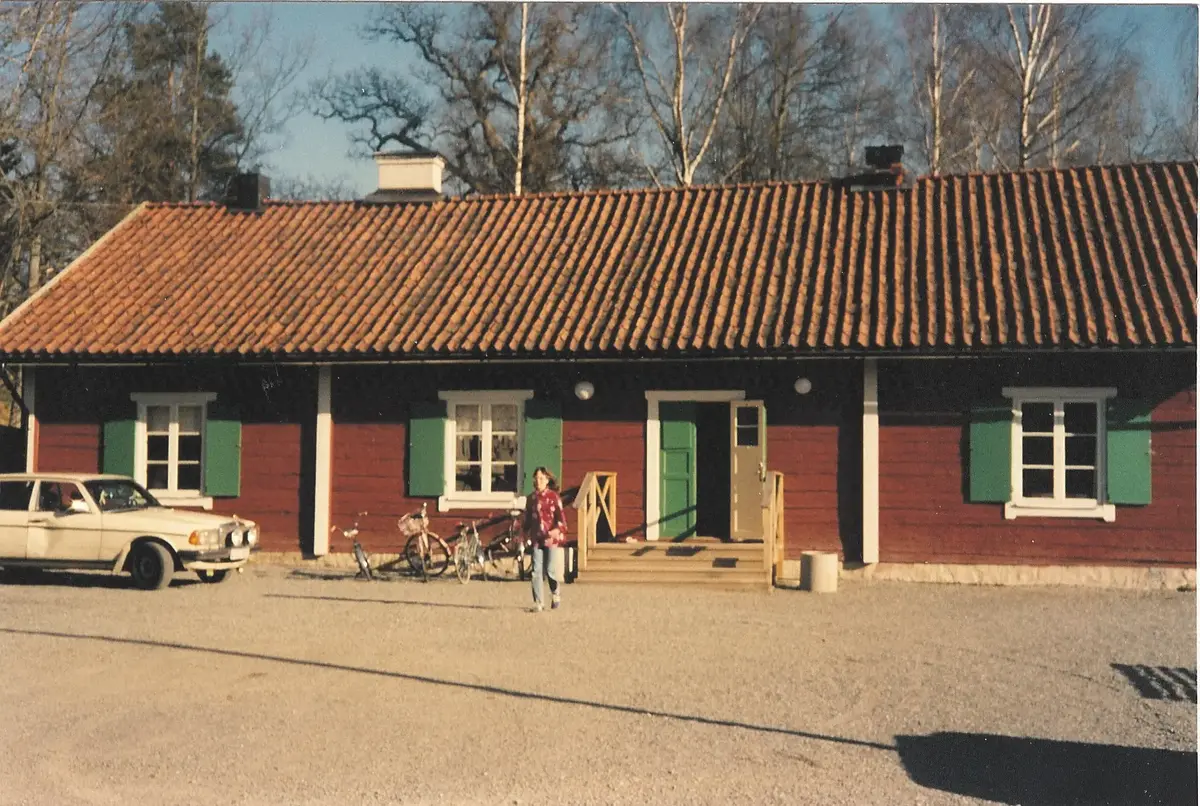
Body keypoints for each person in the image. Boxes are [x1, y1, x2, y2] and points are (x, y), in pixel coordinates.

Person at [524, 466, 568, 612]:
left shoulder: (554, 497)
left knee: (550, 570)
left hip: (551, 539)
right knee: (536, 571)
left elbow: (562, 521)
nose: (538, 481)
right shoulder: (531, 499)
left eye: (541, 478)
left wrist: (556, 530)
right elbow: (527, 520)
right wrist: (523, 534)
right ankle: (538, 602)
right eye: (536, 478)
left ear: (547, 480)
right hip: (536, 538)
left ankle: (555, 593)